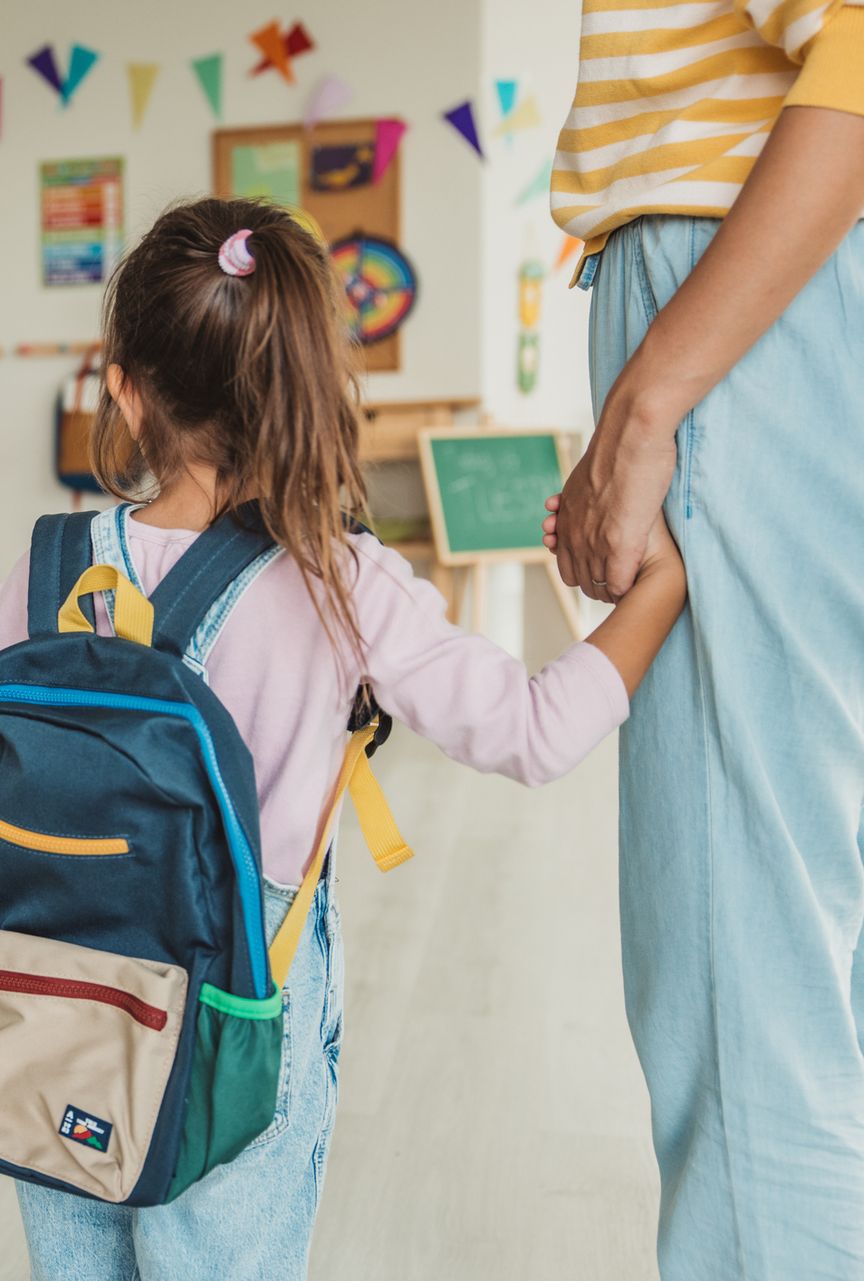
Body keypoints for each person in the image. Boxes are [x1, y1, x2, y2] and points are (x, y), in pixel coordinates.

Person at [0, 199, 688, 1281]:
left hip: (50, 964)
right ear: (301, 381)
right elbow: (531, 733)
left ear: (123, 389)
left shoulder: (58, 556)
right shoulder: (335, 574)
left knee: (77, 1246)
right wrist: (662, 589)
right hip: (239, 979)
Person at [542, 6, 864, 1274]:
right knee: (815, 932)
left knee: (746, 970)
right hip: (791, 283)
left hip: (745, 277)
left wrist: (651, 389)